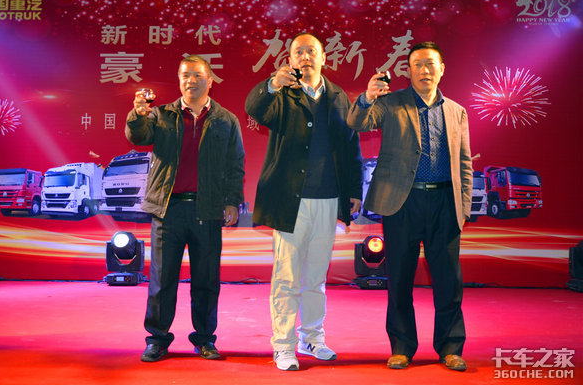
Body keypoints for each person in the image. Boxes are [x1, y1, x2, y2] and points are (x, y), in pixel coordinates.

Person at [346, 42, 473, 371]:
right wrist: (367, 97)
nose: (424, 70)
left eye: (430, 64)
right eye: (417, 64)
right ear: (408, 70)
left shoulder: (456, 111)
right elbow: (357, 123)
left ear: (441, 69)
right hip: (402, 202)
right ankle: (402, 346)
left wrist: (463, 208)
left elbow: (464, 163)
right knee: (400, 279)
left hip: (445, 203)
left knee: (449, 280)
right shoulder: (391, 103)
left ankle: (450, 347)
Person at [245, 33, 363, 371]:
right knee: (286, 276)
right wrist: (272, 84)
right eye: (299, 52)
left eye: (312, 51)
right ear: (290, 59)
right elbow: (254, 108)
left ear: (324, 58)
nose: (305, 56)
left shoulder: (339, 96)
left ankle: (312, 337)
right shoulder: (281, 93)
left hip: (328, 198)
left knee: (316, 277)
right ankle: (283, 345)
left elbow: (351, 145)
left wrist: (354, 190)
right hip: (290, 200)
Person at [125, 55, 245, 362]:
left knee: (207, 280)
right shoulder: (161, 115)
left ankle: (204, 339)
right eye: (185, 75)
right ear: (179, 80)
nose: (190, 80)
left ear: (210, 81)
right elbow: (138, 137)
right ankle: (157, 339)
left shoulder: (226, 120)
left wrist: (232, 201)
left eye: (197, 75)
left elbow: (235, 165)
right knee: (162, 280)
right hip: (168, 209)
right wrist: (138, 114)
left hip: (207, 209)